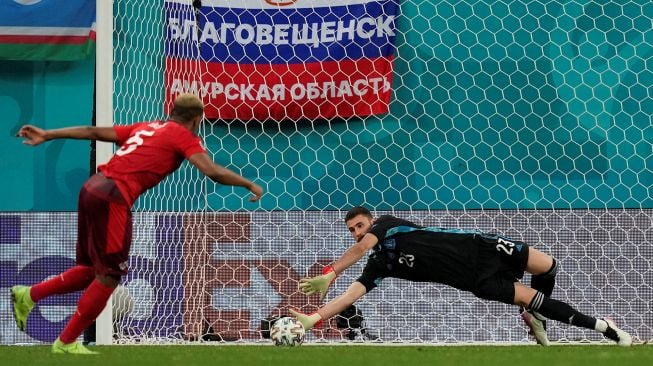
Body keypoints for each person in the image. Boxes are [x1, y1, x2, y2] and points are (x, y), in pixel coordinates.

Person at [11, 94, 263, 354]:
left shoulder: (146, 127)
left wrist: (49, 134)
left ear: (172, 111)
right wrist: (248, 183)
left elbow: (92, 131)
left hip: (92, 188)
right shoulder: (183, 136)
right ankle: (66, 342)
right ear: (198, 119)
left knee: (90, 269)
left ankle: (28, 295)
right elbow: (212, 171)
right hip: (113, 197)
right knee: (109, 275)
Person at [290, 206, 632, 346]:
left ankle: (536, 317)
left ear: (370, 221)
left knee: (549, 267)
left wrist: (331, 271)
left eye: (359, 226)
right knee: (533, 296)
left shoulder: (386, 225)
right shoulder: (380, 265)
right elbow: (351, 296)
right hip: (475, 281)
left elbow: (363, 246)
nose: (356, 232)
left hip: (482, 248)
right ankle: (605, 328)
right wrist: (312, 319)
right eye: (351, 229)